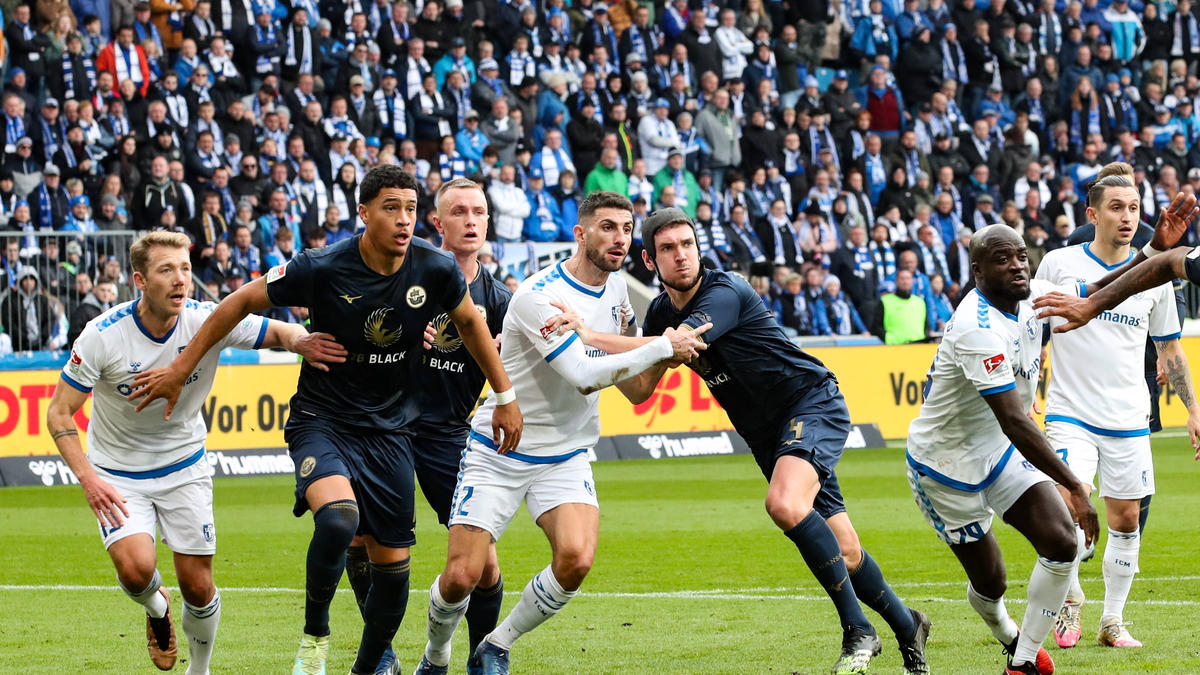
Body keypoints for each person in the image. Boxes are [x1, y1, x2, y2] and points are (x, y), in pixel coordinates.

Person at [124, 166, 523, 675]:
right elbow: (239, 302)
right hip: (324, 418)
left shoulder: (435, 269)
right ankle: (315, 637)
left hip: (391, 430)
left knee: (396, 576)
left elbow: (470, 324)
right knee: (338, 519)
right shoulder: (321, 265)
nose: (404, 220)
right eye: (390, 208)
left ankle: (370, 665)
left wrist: (506, 396)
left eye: (410, 209)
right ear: (363, 213)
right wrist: (182, 368)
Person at [554, 207, 931, 675]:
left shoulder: (724, 290)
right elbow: (638, 390)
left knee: (785, 505)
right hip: (765, 434)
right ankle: (907, 623)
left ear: (699, 247)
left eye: (687, 244)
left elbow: (683, 342)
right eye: (667, 249)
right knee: (846, 551)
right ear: (649, 261)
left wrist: (594, 333)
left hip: (810, 403)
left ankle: (858, 629)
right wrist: (587, 350)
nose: (681, 256)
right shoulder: (658, 312)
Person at [415, 193, 708, 675]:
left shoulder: (617, 294)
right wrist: (659, 344)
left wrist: (667, 357)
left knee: (575, 560)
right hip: (501, 449)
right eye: (607, 227)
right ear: (580, 234)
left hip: (566, 454)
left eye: (626, 229)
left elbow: (635, 392)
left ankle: (495, 647)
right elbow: (582, 374)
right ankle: (436, 655)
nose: (619, 239)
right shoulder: (539, 295)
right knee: (462, 576)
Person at [42, 231, 336, 675]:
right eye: (166, 270)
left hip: (184, 466)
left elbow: (279, 329)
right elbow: (60, 413)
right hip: (118, 472)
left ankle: (199, 670)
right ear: (140, 280)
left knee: (198, 587)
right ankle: (157, 611)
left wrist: (301, 341)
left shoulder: (208, 319)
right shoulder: (103, 335)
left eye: (185, 269)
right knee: (136, 571)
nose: (181, 280)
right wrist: (89, 478)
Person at [906, 224, 1100, 675]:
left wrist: (1156, 255)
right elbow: (1014, 419)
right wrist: (1073, 484)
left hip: (999, 453)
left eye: (1021, 255)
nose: (1017, 265)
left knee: (1060, 540)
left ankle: (1024, 661)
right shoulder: (976, 327)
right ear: (977, 271)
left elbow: (1095, 290)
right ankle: (1007, 631)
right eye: (1002, 259)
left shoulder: (1032, 294)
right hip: (946, 468)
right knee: (991, 582)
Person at [345, 178, 513, 675]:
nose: (471, 221)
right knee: (364, 543)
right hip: (385, 428)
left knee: (483, 564)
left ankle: (483, 656)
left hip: (449, 435)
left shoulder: (500, 299)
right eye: (458, 212)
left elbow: (522, 369)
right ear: (437, 223)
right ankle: (382, 655)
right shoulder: (403, 274)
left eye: (479, 212)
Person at [1036, 174, 1199, 651]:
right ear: (1093, 215)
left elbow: (1169, 348)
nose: (1127, 217)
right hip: (1069, 412)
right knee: (1066, 510)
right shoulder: (1059, 263)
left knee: (1126, 520)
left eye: (1133, 208)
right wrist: (1025, 388)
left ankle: (1112, 621)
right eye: (1116, 208)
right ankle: (1070, 600)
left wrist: (1193, 409)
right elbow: (1033, 327)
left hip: (1128, 415)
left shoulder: (1156, 277)